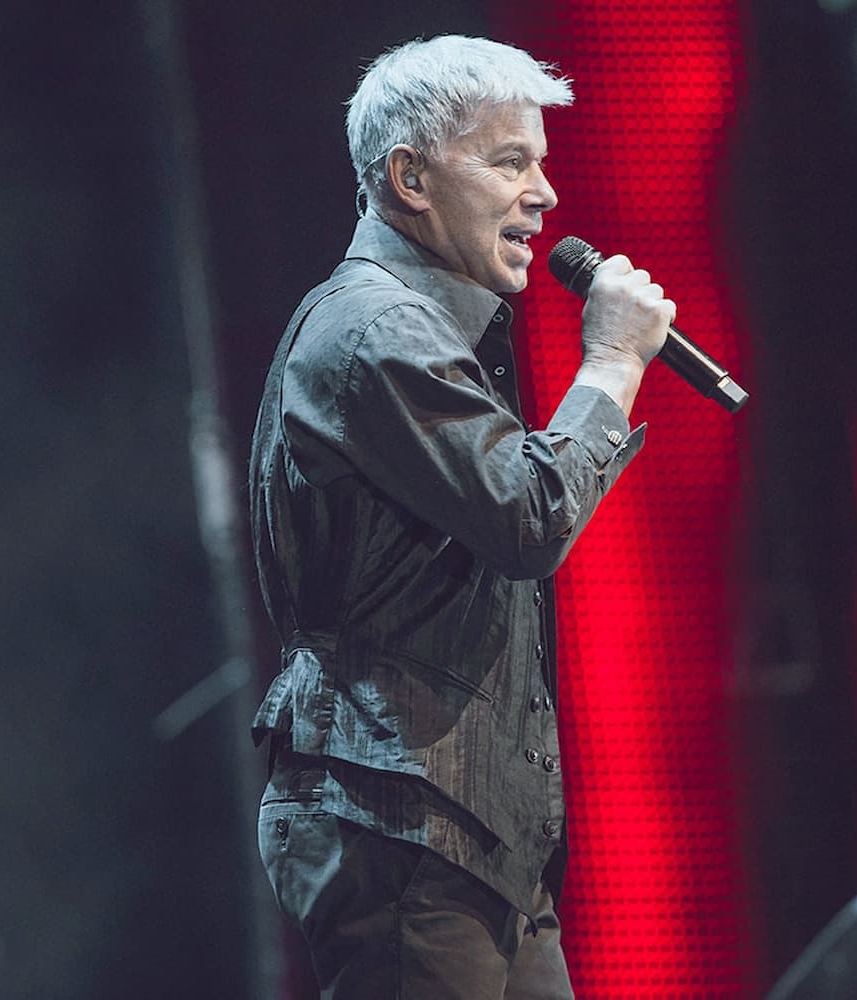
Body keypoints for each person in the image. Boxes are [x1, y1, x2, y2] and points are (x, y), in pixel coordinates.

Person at [249, 34, 673, 999]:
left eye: (541, 162)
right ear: (411, 179)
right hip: (401, 825)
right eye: (510, 161)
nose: (544, 194)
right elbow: (528, 517)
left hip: (466, 832)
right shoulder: (375, 330)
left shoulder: (426, 328)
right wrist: (613, 361)